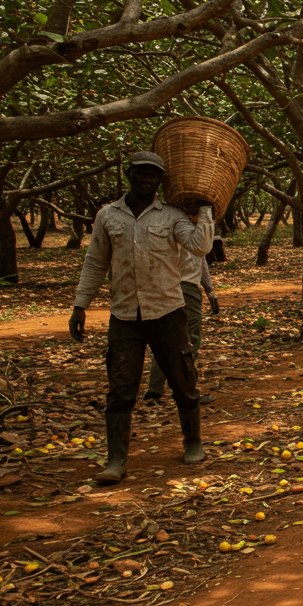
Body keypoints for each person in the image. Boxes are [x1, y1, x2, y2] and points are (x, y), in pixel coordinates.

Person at [70, 152, 213, 485]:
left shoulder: (173, 216)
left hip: (167, 311)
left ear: (160, 181)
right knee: (121, 389)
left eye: (153, 175)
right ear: (128, 174)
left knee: (183, 381)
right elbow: (95, 262)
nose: (146, 180)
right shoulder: (108, 215)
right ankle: (116, 459)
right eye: (141, 174)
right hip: (124, 315)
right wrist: (81, 305)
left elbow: (200, 247)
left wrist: (206, 210)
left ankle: (193, 442)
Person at [144, 248, 219, 406]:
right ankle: (188, 392)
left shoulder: (159, 225)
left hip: (162, 287)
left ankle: (155, 390)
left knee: (163, 339)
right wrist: (210, 291)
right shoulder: (191, 227)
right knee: (189, 341)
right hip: (186, 288)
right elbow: (201, 260)